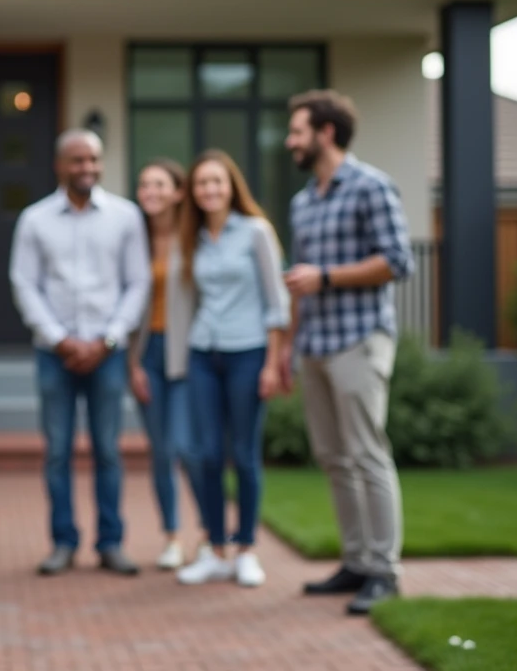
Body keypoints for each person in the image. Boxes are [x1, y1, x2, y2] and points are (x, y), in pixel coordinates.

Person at [280, 89, 414, 616]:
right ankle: (356, 561)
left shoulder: (372, 186)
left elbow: (399, 261)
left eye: (297, 131)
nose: (290, 140)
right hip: (315, 343)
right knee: (334, 458)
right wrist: (289, 346)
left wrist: (328, 277)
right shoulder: (303, 200)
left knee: (366, 453)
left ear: (326, 133)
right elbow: (301, 282)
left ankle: (385, 570)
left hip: (359, 339)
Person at [9, 129, 151, 577]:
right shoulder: (34, 220)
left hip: (108, 353)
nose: (87, 167)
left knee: (108, 449)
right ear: (60, 165)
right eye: (77, 160)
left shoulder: (126, 217)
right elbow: (24, 283)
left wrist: (108, 339)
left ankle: (111, 543)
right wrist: (60, 339)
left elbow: (138, 283)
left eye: (93, 159)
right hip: (56, 354)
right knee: (57, 452)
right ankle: (63, 543)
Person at [173, 150, 290, 589]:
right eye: (202, 183)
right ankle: (214, 548)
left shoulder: (255, 231)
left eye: (216, 182)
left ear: (231, 185)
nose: (210, 190)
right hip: (205, 352)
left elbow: (277, 301)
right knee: (203, 453)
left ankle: (246, 550)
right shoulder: (194, 237)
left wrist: (272, 362)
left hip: (248, 353)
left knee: (243, 455)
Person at [127, 158, 207, 570]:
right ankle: (173, 537)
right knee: (161, 452)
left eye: (159, 185)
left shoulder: (195, 238)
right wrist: (133, 363)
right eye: (144, 185)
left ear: (178, 192)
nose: (150, 193)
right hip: (147, 355)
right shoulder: (133, 237)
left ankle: (209, 535)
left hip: (187, 355)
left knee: (187, 448)